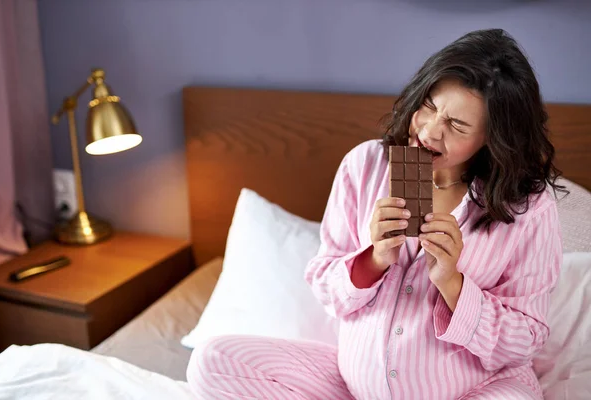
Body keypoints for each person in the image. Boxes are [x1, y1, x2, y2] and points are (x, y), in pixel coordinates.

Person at [186, 28, 564, 399]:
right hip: (354, 387)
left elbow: (524, 339)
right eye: (429, 107)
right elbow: (325, 285)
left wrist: (453, 284)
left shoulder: (529, 210)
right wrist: (375, 258)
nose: (430, 132)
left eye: (457, 125)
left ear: (492, 139)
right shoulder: (365, 165)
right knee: (212, 361)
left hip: (475, 390)